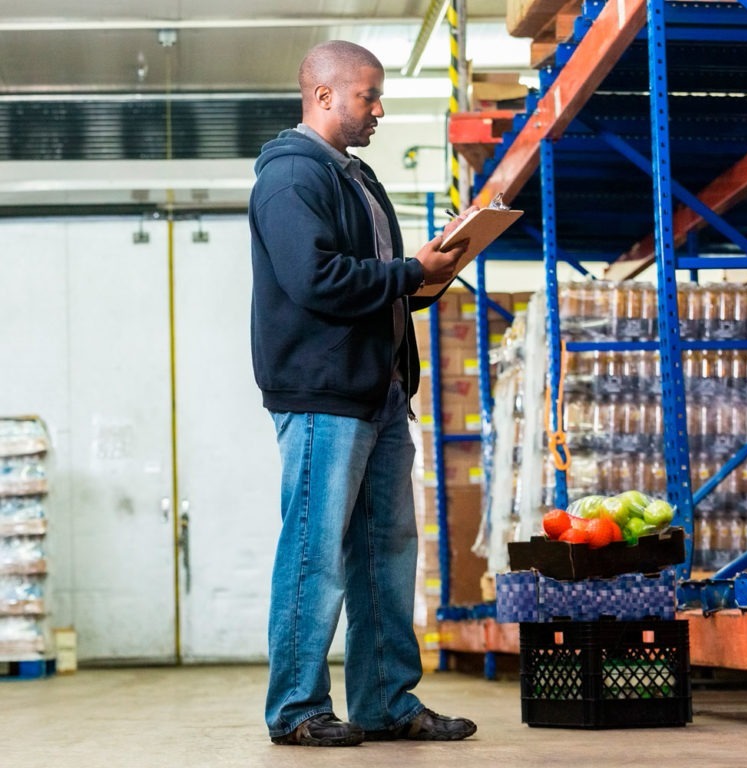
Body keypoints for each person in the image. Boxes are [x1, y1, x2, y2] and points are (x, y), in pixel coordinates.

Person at [248, 39, 478, 748]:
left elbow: (373, 284)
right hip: (324, 396)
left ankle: (385, 701)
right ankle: (296, 709)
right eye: (368, 96)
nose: (379, 110)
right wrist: (409, 272)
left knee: (385, 554)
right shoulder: (291, 175)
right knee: (314, 555)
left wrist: (428, 274)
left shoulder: (359, 179)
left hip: (380, 393)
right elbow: (315, 280)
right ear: (323, 96)